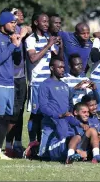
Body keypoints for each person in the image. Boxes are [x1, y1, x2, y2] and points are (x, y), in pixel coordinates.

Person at [0, 11, 25, 160]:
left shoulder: (10, 37)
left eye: (16, 23)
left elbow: (17, 60)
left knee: (7, 117)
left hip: (9, 82)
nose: (15, 25)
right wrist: (12, 45)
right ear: (3, 23)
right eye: (12, 22)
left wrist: (18, 44)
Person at [25, 12, 61, 145]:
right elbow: (33, 58)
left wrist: (60, 46)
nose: (47, 24)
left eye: (47, 22)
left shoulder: (48, 37)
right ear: (36, 23)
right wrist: (48, 45)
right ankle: (32, 142)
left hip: (48, 83)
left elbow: (56, 58)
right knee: (35, 114)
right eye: (44, 21)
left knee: (46, 114)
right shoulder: (31, 39)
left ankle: (42, 142)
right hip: (36, 83)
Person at [1, 8, 32, 158]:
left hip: (21, 77)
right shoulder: (6, 32)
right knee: (11, 113)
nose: (21, 15)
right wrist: (21, 35)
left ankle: (18, 143)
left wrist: (25, 31)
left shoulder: (21, 29)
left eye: (21, 13)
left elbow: (29, 28)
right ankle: (7, 145)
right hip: (9, 78)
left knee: (19, 113)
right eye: (16, 14)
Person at [36, 57, 74, 161]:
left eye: (64, 67)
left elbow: (70, 103)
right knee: (43, 156)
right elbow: (43, 108)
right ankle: (33, 147)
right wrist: (59, 115)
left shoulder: (65, 85)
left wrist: (69, 115)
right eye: (60, 67)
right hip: (50, 125)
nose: (63, 70)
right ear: (52, 68)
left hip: (64, 124)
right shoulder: (45, 85)